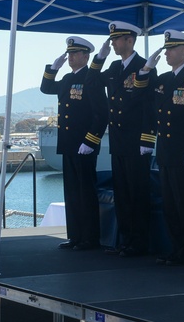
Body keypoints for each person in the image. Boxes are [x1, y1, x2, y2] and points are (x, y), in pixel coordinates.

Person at [135, 30, 184, 266]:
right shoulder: (163, 80)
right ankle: (176, 248)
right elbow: (141, 95)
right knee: (170, 205)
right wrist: (146, 69)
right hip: (165, 152)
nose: (166, 53)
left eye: (171, 48)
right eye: (166, 49)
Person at [89, 22, 156, 257]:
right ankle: (125, 240)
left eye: (117, 39)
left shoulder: (145, 67)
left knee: (138, 193)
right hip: (118, 140)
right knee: (123, 193)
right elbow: (91, 82)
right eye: (112, 39)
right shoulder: (115, 67)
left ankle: (139, 242)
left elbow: (149, 107)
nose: (113, 43)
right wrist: (99, 58)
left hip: (136, 141)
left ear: (130, 40)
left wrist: (147, 140)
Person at [40, 36, 109, 251]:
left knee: (85, 192)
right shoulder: (68, 79)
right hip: (69, 144)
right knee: (71, 192)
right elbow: (46, 87)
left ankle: (90, 238)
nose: (70, 57)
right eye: (68, 54)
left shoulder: (92, 78)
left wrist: (91, 140)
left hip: (84, 145)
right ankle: (76, 236)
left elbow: (101, 114)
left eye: (74, 53)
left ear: (86, 56)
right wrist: (52, 68)